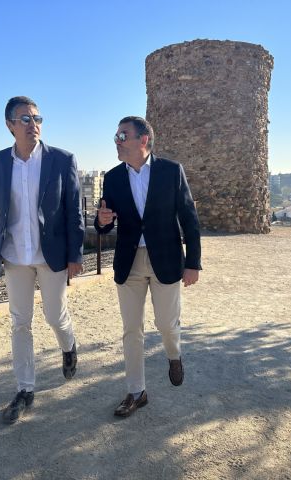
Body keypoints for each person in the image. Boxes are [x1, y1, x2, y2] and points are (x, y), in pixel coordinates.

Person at [0, 96, 84, 424]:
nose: (33, 125)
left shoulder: (62, 160)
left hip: (50, 255)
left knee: (55, 315)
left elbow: (74, 211)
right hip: (14, 256)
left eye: (37, 119)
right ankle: (25, 389)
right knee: (20, 322)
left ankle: (68, 345)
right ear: (10, 125)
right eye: (25, 119)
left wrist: (75, 254)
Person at [94, 116, 201, 417]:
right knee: (131, 329)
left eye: (122, 136)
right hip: (129, 262)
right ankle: (136, 392)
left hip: (166, 259)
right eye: (116, 136)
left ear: (143, 140)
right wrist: (101, 221)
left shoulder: (171, 171)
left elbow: (189, 219)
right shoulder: (113, 177)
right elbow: (104, 222)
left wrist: (193, 263)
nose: (116, 141)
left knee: (166, 324)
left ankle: (174, 354)